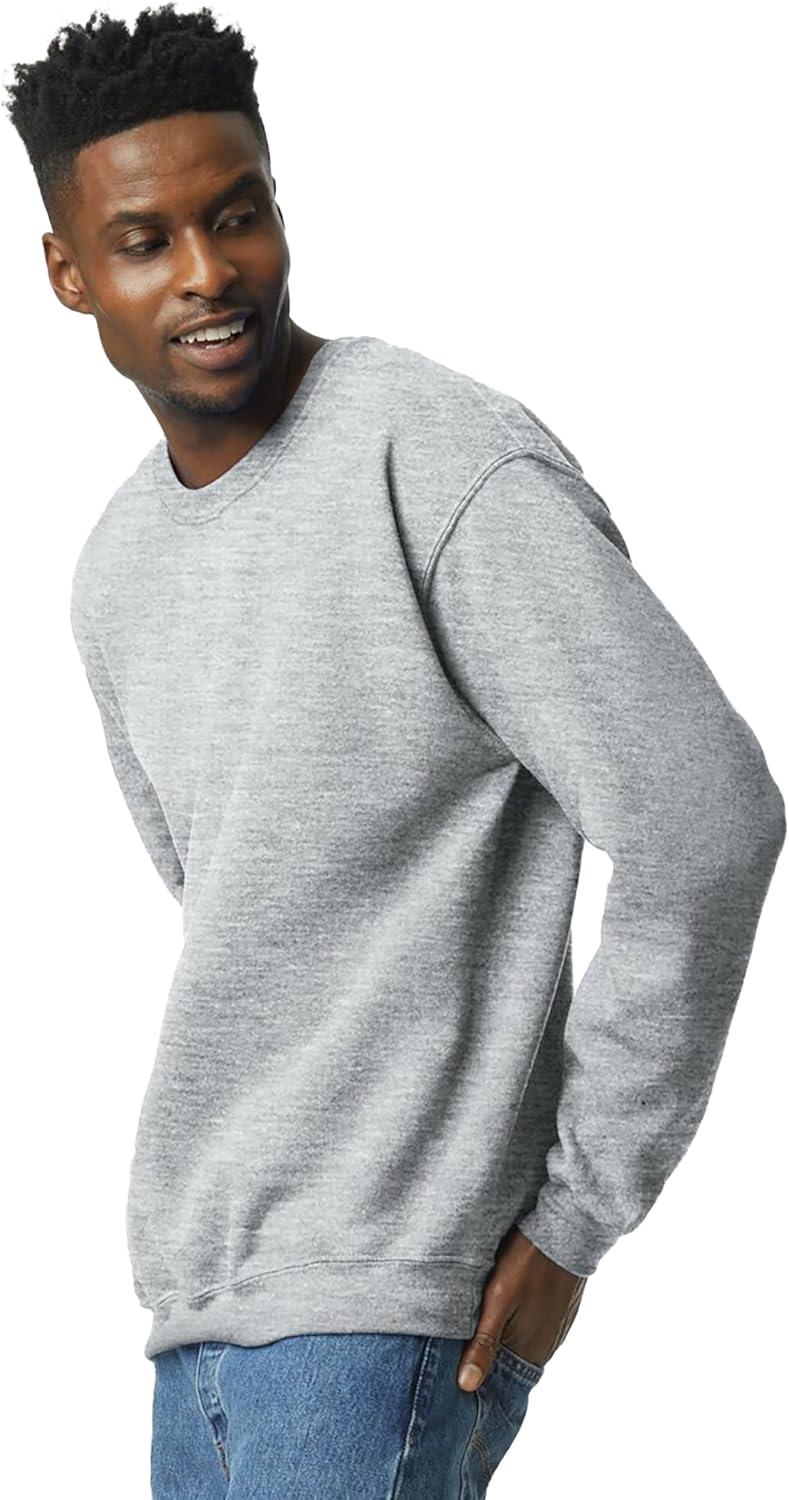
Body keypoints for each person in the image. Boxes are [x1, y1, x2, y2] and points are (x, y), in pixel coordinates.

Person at [5, 6, 785, 1497]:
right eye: (146, 240)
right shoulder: (115, 571)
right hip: (200, 1310)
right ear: (69, 271)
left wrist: (574, 1219)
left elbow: (705, 814)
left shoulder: (433, 461)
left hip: (386, 1307)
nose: (207, 272)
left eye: (238, 215)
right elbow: (244, 919)